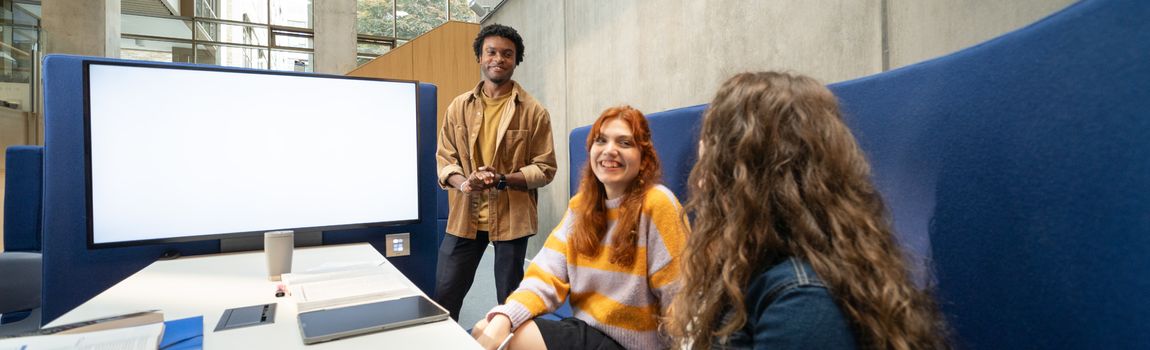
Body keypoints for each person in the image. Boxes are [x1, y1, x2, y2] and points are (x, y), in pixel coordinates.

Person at [666, 72, 951, 349]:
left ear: (747, 176)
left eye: (710, 162)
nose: (700, 180)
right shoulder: (750, 266)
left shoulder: (801, 299)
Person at [470, 106, 688, 350]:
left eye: (624, 143)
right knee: (485, 327)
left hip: (634, 346)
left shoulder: (657, 203)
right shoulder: (580, 207)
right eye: (601, 140)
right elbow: (545, 276)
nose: (610, 150)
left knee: (513, 341)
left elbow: (680, 298)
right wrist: (505, 317)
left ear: (643, 157)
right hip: (590, 331)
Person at [435, 23, 557, 321]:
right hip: (466, 215)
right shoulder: (458, 107)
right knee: (445, 294)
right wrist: (465, 184)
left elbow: (545, 168)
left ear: (516, 60)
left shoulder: (533, 111)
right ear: (480, 56)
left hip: (513, 217)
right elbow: (444, 157)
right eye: (491, 52)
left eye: (507, 54)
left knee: (510, 298)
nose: (498, 59)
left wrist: (502, 179)